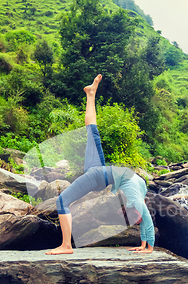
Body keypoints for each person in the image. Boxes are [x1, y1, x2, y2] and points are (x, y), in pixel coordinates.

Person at [45, 75, 155, 255]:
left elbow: (144, 219)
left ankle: (66, 246)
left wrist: (145, 245)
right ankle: (91, 94)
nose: (132, 222)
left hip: (101, 175)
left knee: (61, 201)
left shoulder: (141, 187)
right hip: (98, 173)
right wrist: (148, 247)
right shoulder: (137, 200)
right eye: (134, 221)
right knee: (91, 131)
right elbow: (146, 219)